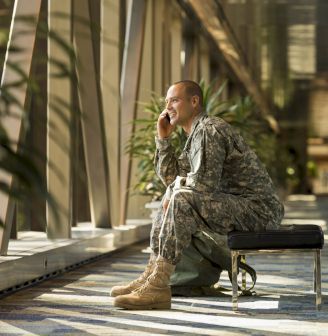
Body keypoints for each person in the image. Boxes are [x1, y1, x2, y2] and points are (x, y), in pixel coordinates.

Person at [111, 80, 284, 310]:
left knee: (179, 197)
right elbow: (172, 178)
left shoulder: (209, 129)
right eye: (166, 101)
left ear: (194, 102)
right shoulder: (195, 136)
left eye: (174, 100)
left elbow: (203, 185)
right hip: (238, 207)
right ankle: (152, 276)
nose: (168, 106)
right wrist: (163, 139)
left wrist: (175, 190)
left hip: (258, 211)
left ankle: (158, 286)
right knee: (173, 193)